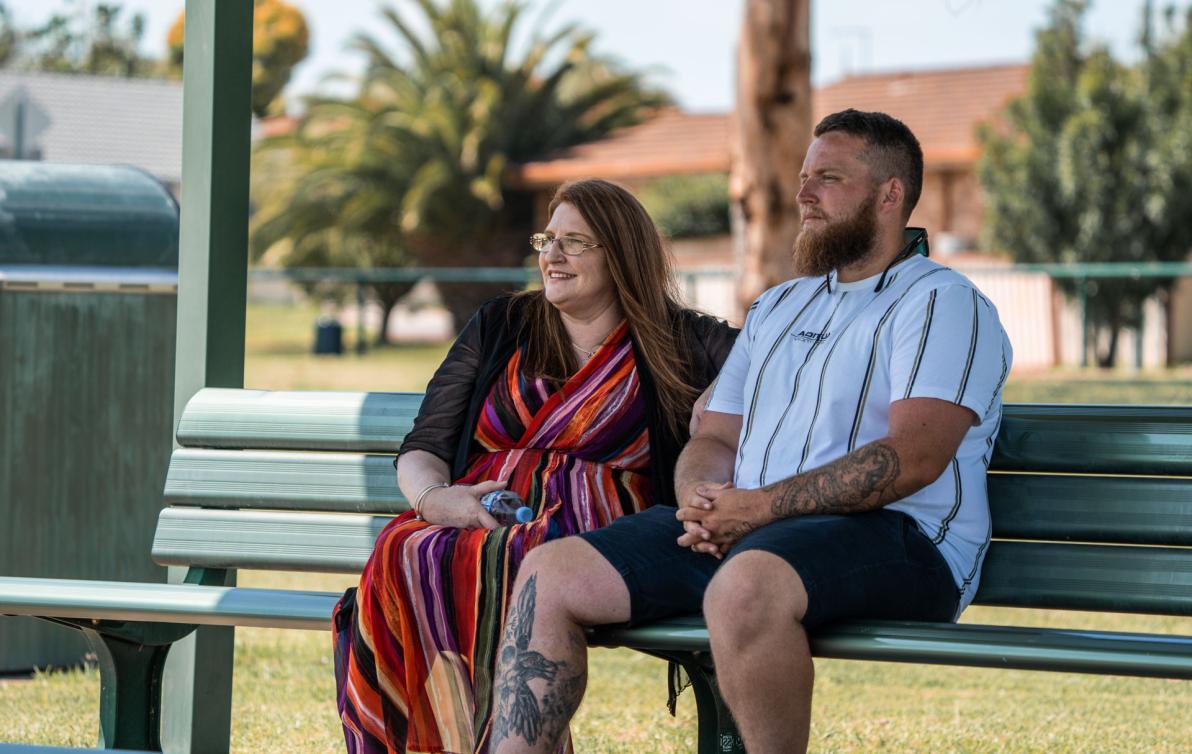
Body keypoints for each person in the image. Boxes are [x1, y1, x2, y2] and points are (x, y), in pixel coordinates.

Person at [482, 109, 1014, 754]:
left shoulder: (940, 302)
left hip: (903, 538)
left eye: (829, 178)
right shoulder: (779, 306)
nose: (804, 194)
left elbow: (915, 457)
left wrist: (755, 509)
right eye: (803, 176)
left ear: (889, 195)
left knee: (745, 586)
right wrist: (703, 502)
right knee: (549, 572)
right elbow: (715, 437)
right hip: (751, 533)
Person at [332, 178, 738, 753]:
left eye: (576, 242)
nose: (552, 255)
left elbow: (778, 355)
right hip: (477, 508)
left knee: (514, 557)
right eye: (548, 239)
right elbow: (424, 444)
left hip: (596, 528)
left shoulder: (682, 339)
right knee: (406, 548)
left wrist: (723, 391)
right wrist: (435, 501)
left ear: (622, 253)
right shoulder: (501, 325)